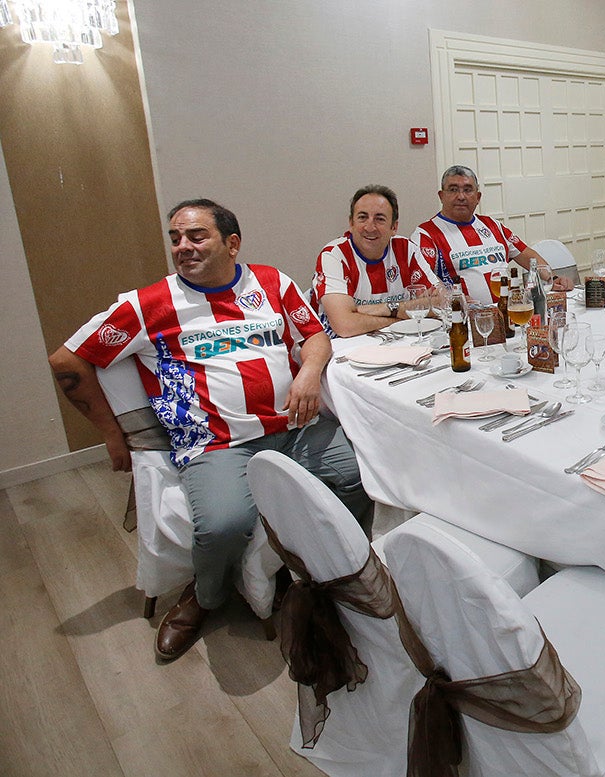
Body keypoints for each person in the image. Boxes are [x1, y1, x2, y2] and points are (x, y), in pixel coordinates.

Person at [48, 199, 373, 663]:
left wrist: (307, 373)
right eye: (176, 238)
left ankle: (320, 572)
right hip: (216, 443)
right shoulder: (149, 305)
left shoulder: (271, 282)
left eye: (196, 236)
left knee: (361, 475)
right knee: (224, 525)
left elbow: (315, 336)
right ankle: (205, 597)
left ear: (232, 243)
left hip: (292, 427)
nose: (183, 247)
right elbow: (68, 360)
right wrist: (111, 433)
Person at [412, 165, 572, 305]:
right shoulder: (426, 234)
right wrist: (450, 298)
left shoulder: (493, 225)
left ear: (478, 197)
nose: (461, 196)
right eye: (453, 190)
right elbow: (424, 278)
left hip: (510, 311)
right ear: (441, 196)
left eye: (467, 190)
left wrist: (552, 278)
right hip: (463, 318)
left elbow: (526, 254)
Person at [310, 185, 438, 337]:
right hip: (344, 346)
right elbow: (345, 326)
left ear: (394, 227)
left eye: (379, 219)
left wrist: (389, 308)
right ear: (351, 223)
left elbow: (441, 302)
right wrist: (403, 319)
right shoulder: (334, 255)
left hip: (398, 342)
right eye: (362, 217)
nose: (370, 227)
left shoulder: (406, 249)